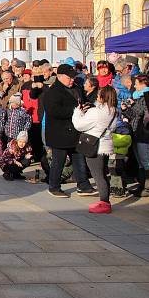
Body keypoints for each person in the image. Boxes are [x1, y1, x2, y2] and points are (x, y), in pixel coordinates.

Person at [42, 63, 96, 198]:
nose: (72, 80)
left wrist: (86, 106)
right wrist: (75, 111)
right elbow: (53, 111)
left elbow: (83, 101)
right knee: (58, 161)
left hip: (76, 131)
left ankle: (83, 185)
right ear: (59, 76)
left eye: (73, 77)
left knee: (79, 159)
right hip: (59, 132)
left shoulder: (76, 88)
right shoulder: (52, 91)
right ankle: (54, 186)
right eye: (69, 77)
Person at [73, 86, 118, 213]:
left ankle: (104, 202)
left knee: (98, 176)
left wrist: (78, 112)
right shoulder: (114, 111)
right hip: (106, 145)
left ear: (103, 97)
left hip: (95, 146)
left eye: (99, 95)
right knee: (103, 174)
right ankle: (105, 200)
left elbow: (79, 125)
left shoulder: (96, 111)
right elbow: (113, 128)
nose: (97, 97)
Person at [122, 74, 149, 196]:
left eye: (136, 83)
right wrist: (126, 109)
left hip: (145, 133)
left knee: (146, 161)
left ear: (143, 83)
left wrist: (132, 105)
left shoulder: (148, 96)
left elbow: (141, 112)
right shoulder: (139, 96)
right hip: (136, 131)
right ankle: (142, 185)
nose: (134, 85)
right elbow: (134, 114)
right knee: (141, 161)